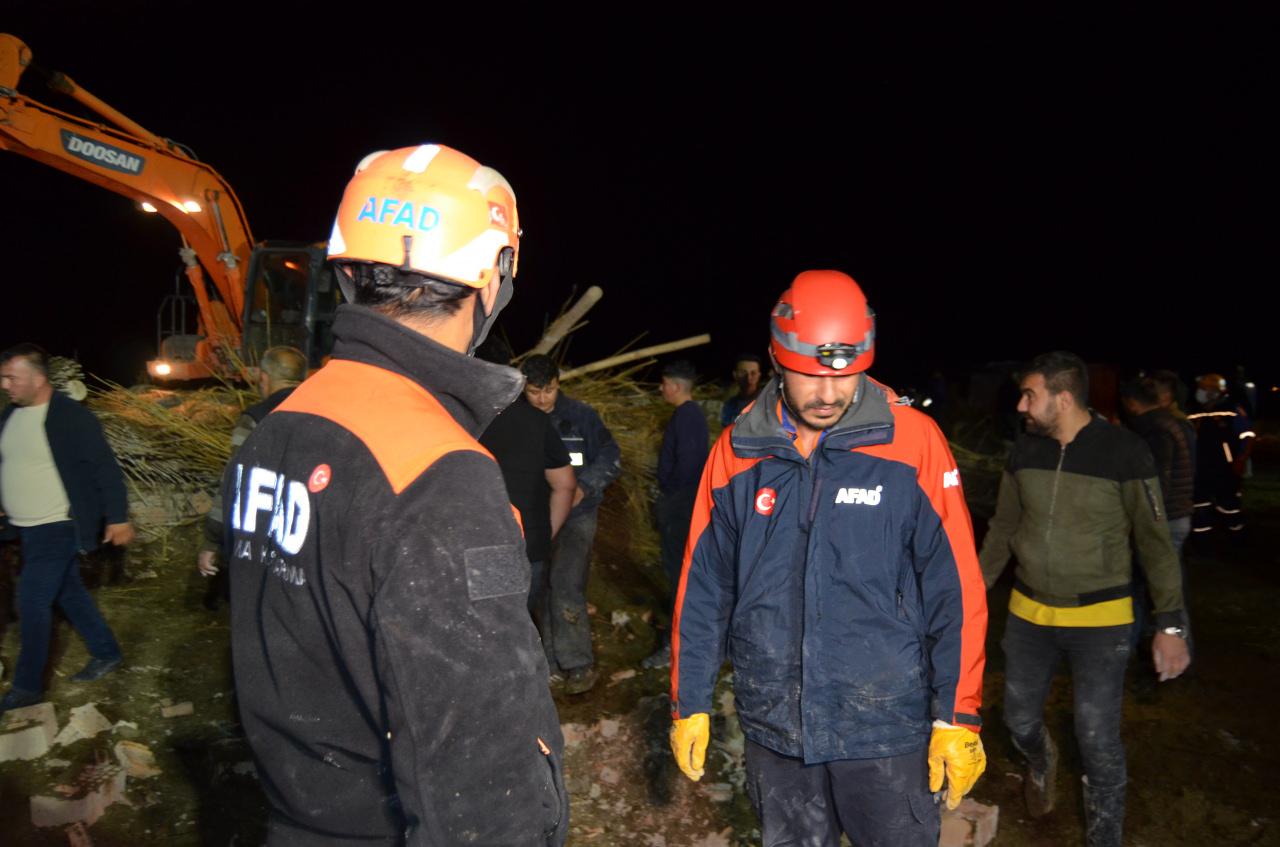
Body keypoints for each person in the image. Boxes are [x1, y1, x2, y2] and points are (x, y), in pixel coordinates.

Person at [223, 144, 567, 845]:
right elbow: (479, 781)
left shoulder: (279, 428)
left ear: (348, 272)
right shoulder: (439, 473)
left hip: (296, 817)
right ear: (493, 279)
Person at [670, 271, 988, 846]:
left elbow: (956, 587)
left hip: (887, 727)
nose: (829, 395)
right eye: (809, 376)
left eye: (845, 377)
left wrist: (957, 713)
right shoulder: (738, 451)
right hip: (777, 729)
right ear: (775, 358)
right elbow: (704, 585)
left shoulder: (912, 442)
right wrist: (689, 699)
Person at [980, 351, 1190, 847]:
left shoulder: (1126, 452)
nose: (1022, 404)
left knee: (1097, 739)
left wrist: (1171, 625)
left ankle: (1105, 837)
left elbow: (1156, 545)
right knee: (1018, 720)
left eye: (1031, 394)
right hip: (1029, 614)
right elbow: (1003, 529)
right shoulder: (1024, 451)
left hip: (1102, 620)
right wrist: (972, 590)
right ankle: (1041, 760)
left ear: (1064, 397)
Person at [0, 343, 131, 715]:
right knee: (69, 592)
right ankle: (107, 652)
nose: (5, 384)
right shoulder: (10, 415)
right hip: (23, 528)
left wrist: (118, 517)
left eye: (12, 377)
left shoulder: (72, 418)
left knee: (31, 600)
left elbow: (105, 469)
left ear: (38, 378)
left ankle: (27, 688)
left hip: (57, 525)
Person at [520, 353, 621, 694]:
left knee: (566, 583)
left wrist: (586, 485)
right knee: (537, 586)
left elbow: (610, 456)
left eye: (548, 390)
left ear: (558, 384)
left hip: (578, 515)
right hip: (537, 517)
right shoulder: (520, 418)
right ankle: (547, 665)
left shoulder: (581, 417)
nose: (542, 399)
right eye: (534, 392)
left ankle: (577, 664)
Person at [196, 345, 308, 610]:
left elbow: (234, 482)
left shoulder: (256, 419)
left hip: (261, 538)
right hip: (306, 536)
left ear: (265, 378)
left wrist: (212, 539)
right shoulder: (328, 415)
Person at [479, 389, 576, 647]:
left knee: (483, 632)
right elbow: (565, 485)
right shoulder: (537, 421)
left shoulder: (461, 416)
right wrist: (545, 533)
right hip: (527, 544)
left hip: (478, 544)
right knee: (516, 630)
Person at [641, 359, 708, 669]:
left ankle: (677, 648)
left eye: (664, 383)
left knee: (680, 578)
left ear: (677, 387)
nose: (661, 388)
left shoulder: (688, 418)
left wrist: (670, 498)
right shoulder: (687, 416)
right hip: (681, 505)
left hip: (682, 508)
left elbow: (689, 466)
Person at [1188, 373, 1255, 536]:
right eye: (1200, 388)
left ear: (1215, 391)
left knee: (1229, 503)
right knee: (1200, 503)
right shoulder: (1193, 412)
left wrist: (1241, 460)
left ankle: (1236, 534)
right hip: (1199, 467)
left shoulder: (1231, 410)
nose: (1201, 392)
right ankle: (1203, 538)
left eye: (1204, 388)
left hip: (1226, 467)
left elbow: (1248, 436)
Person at [719, 352, 764, 427]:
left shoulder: (767, 403)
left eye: (753, 373)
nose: (748, 378)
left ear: (759, 375)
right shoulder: (729, 405)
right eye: (743, 372)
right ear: (735, 375)